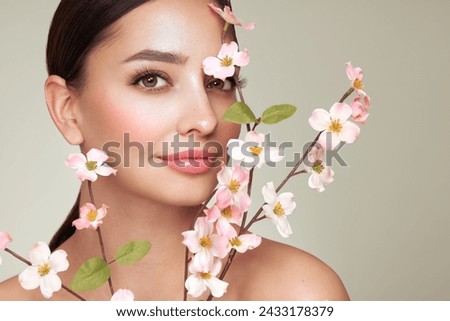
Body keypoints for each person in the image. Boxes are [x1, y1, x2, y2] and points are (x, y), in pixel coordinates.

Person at [0, 0, 349, 300]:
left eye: (219, 82)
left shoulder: (297, 294)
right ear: (67, 109)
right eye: (151, 79)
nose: (205, 119)